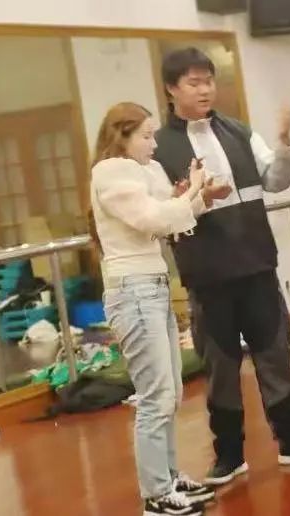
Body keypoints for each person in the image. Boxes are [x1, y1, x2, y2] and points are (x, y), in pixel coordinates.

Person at [152, 48, 290, 486]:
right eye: (194, 83)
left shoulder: (239, 131)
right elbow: (161, 212)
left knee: (275, 356)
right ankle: (229, 455)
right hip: (207, 275)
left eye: (209, 81)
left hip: (257, 265)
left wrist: (285, 141)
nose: (205, 90)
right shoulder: (160, 148)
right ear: (172, 89)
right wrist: (194, 198)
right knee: (220, 369)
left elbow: (276, 180)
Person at [89, 102, 216, 515]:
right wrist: (191, 193)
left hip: (154, 286)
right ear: (121, 137)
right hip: (133, 290)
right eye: (145, 135)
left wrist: (197, 194)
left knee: (171, 392)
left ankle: (169, 476)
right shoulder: (111, 172)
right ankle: (156, 495)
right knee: (155, 395)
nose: (154, 143)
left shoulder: (147, 170)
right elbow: (154, 219)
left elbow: (173, 212)